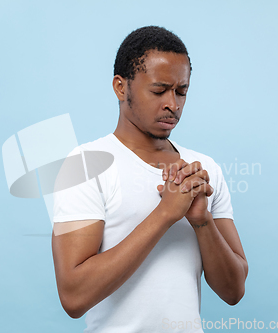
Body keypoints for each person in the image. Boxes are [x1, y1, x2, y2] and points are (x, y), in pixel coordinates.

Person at [52, 26, 248, 333]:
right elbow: (73, 297)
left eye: (181, 91)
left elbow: (234, 291)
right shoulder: (85, 165)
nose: (173, 103)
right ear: (120, 87)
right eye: (159, 91)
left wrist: (201, 221)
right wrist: (165, 215)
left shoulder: (202, 170)